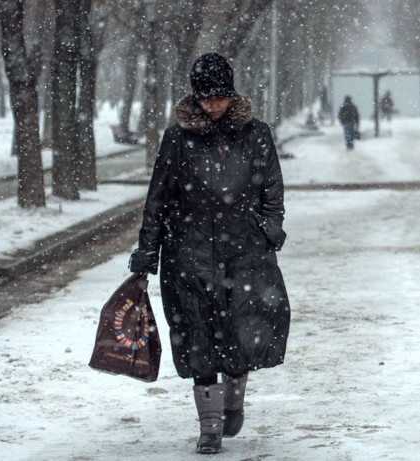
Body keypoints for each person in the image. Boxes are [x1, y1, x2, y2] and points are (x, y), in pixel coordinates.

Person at [129, 52, 290, 454]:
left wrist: (268, 231)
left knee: (239, 336)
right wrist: (147, 251)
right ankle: (210, 426)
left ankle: (233, 398)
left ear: (231, 95)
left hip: (244, 253)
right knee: (197, 339)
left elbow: (271, 189)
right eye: (206, 98)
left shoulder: (257, 135)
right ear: (195, 97)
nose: (213, 105)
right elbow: (158, 201)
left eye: (220, 97)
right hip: (188, 255)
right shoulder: (177, 139)